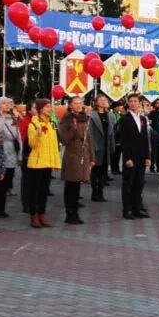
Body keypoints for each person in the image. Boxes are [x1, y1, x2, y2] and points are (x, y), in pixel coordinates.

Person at [59, 96, 95, 224]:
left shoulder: (85, 118)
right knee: (71, 185)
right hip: (72, 155)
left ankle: (75, 212)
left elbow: (89, 138)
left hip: (83, 153)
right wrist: (73, 130)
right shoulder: (67, 119)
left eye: (80, 103)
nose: (78, 105)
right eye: (75, 103)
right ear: (70, 105)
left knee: (78, 185)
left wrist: (92, 156)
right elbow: (63, 139)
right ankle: (70, 213)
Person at [25, 99, 60, 228]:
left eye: (50, 106)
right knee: (34, 191)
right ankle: (33, 215)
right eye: (47, 107)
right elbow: (32, 144)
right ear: (40, 109)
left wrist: (55, 162)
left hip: (47, 163)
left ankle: (42, 214)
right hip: (36, 164)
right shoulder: (33, 125)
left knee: (44, 191)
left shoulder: (51, 124)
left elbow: (54, 145)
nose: (50, 109)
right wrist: (38, 135)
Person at [119, 93, 150, 218]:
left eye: (135, 101)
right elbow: (124, 140)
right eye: (130, 101)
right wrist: (127, 158)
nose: (133, 103)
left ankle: (137, 208)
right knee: (128, 184)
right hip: (130, 157)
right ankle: (127, 210)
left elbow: (145, 138)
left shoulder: (142, 119)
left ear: (139, 103)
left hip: (141, 156)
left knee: (139, 183)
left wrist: (148, 157)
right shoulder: (124, 119)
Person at [0, 97, 20, 219]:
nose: (8, 105)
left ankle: (2, 208)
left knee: (7, 180)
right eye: (4, 103)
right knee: (0, 183)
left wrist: (20, 153)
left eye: (9, 103)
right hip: (1, 151)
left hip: (12, 152)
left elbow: (18, 136)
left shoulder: (13, 118)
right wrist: (3, 116)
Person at [88, 95, 115, 203]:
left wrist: (112, 146)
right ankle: (95, 193)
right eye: (101, 100)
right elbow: (90, 133)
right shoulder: (91, 116)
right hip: (97, 146)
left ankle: (101, 192)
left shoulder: (111, 115)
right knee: (96, 170)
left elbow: (112, 133)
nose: (103, 102)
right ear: (96, 102)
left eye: (105, 100)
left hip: (107, 146)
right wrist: (93, 147)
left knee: (104, 170)